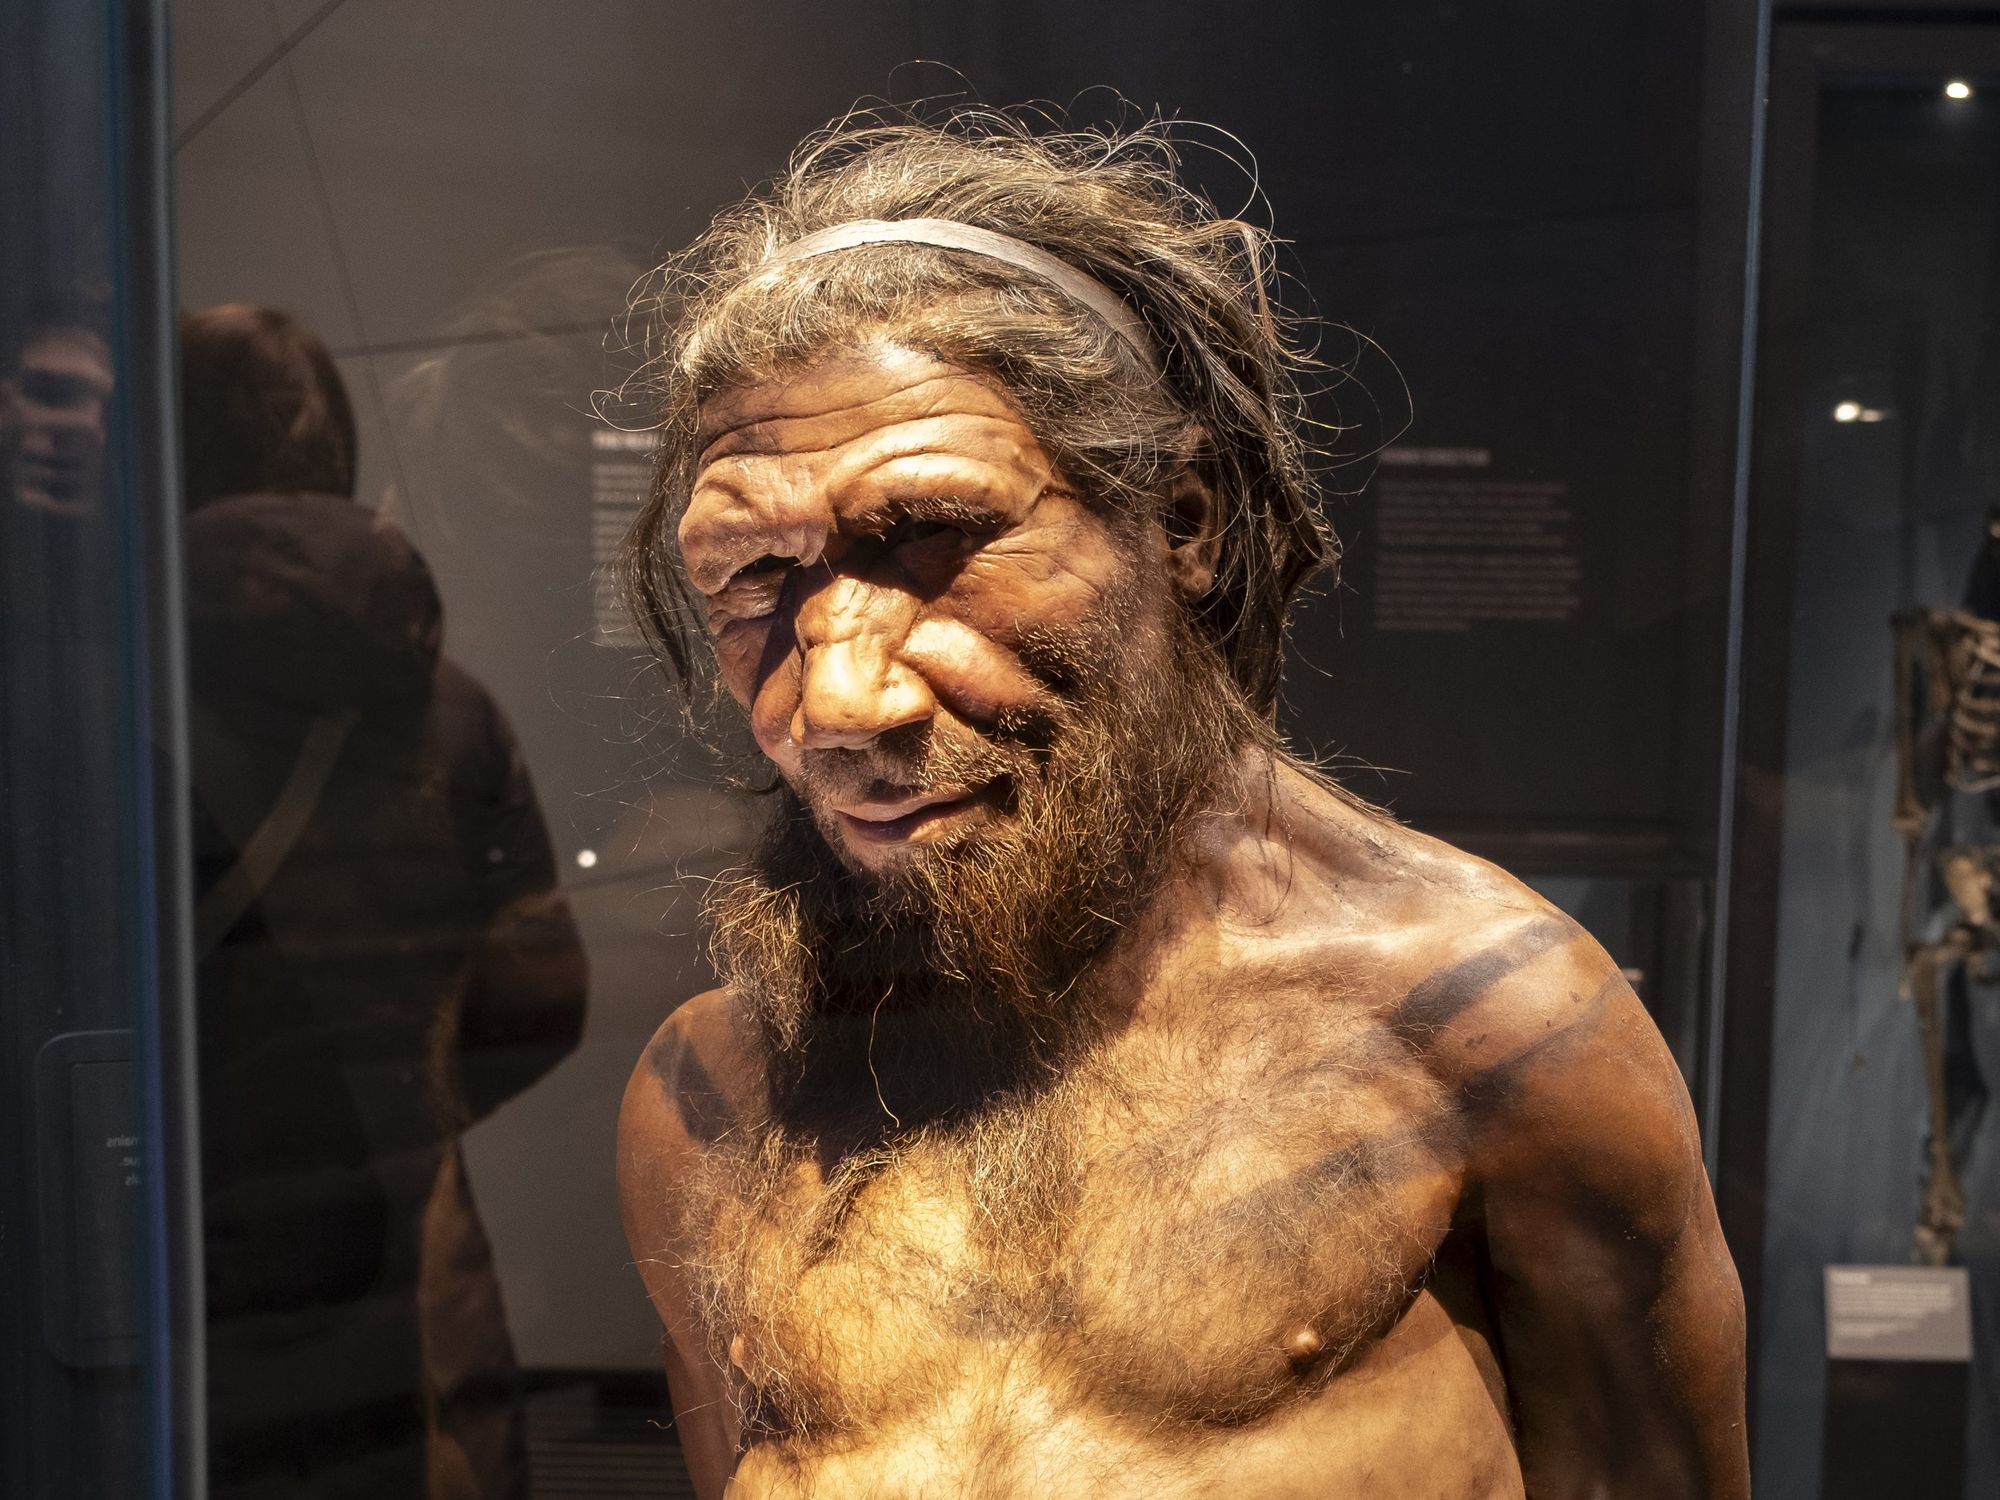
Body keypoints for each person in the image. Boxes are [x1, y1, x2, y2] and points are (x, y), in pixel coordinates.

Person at [615, 113, 1748, 1499]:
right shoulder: (713, 1096)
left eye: (940, 540)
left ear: (1187, 521)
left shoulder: (1489, 1031)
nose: (839, 704)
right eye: (755, 575)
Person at [182, 305, 588, 1498]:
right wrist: (394, 1112)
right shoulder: (451, 707)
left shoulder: (107, 682)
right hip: (411, 1281)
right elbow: (544, 997)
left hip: (178, 1271)